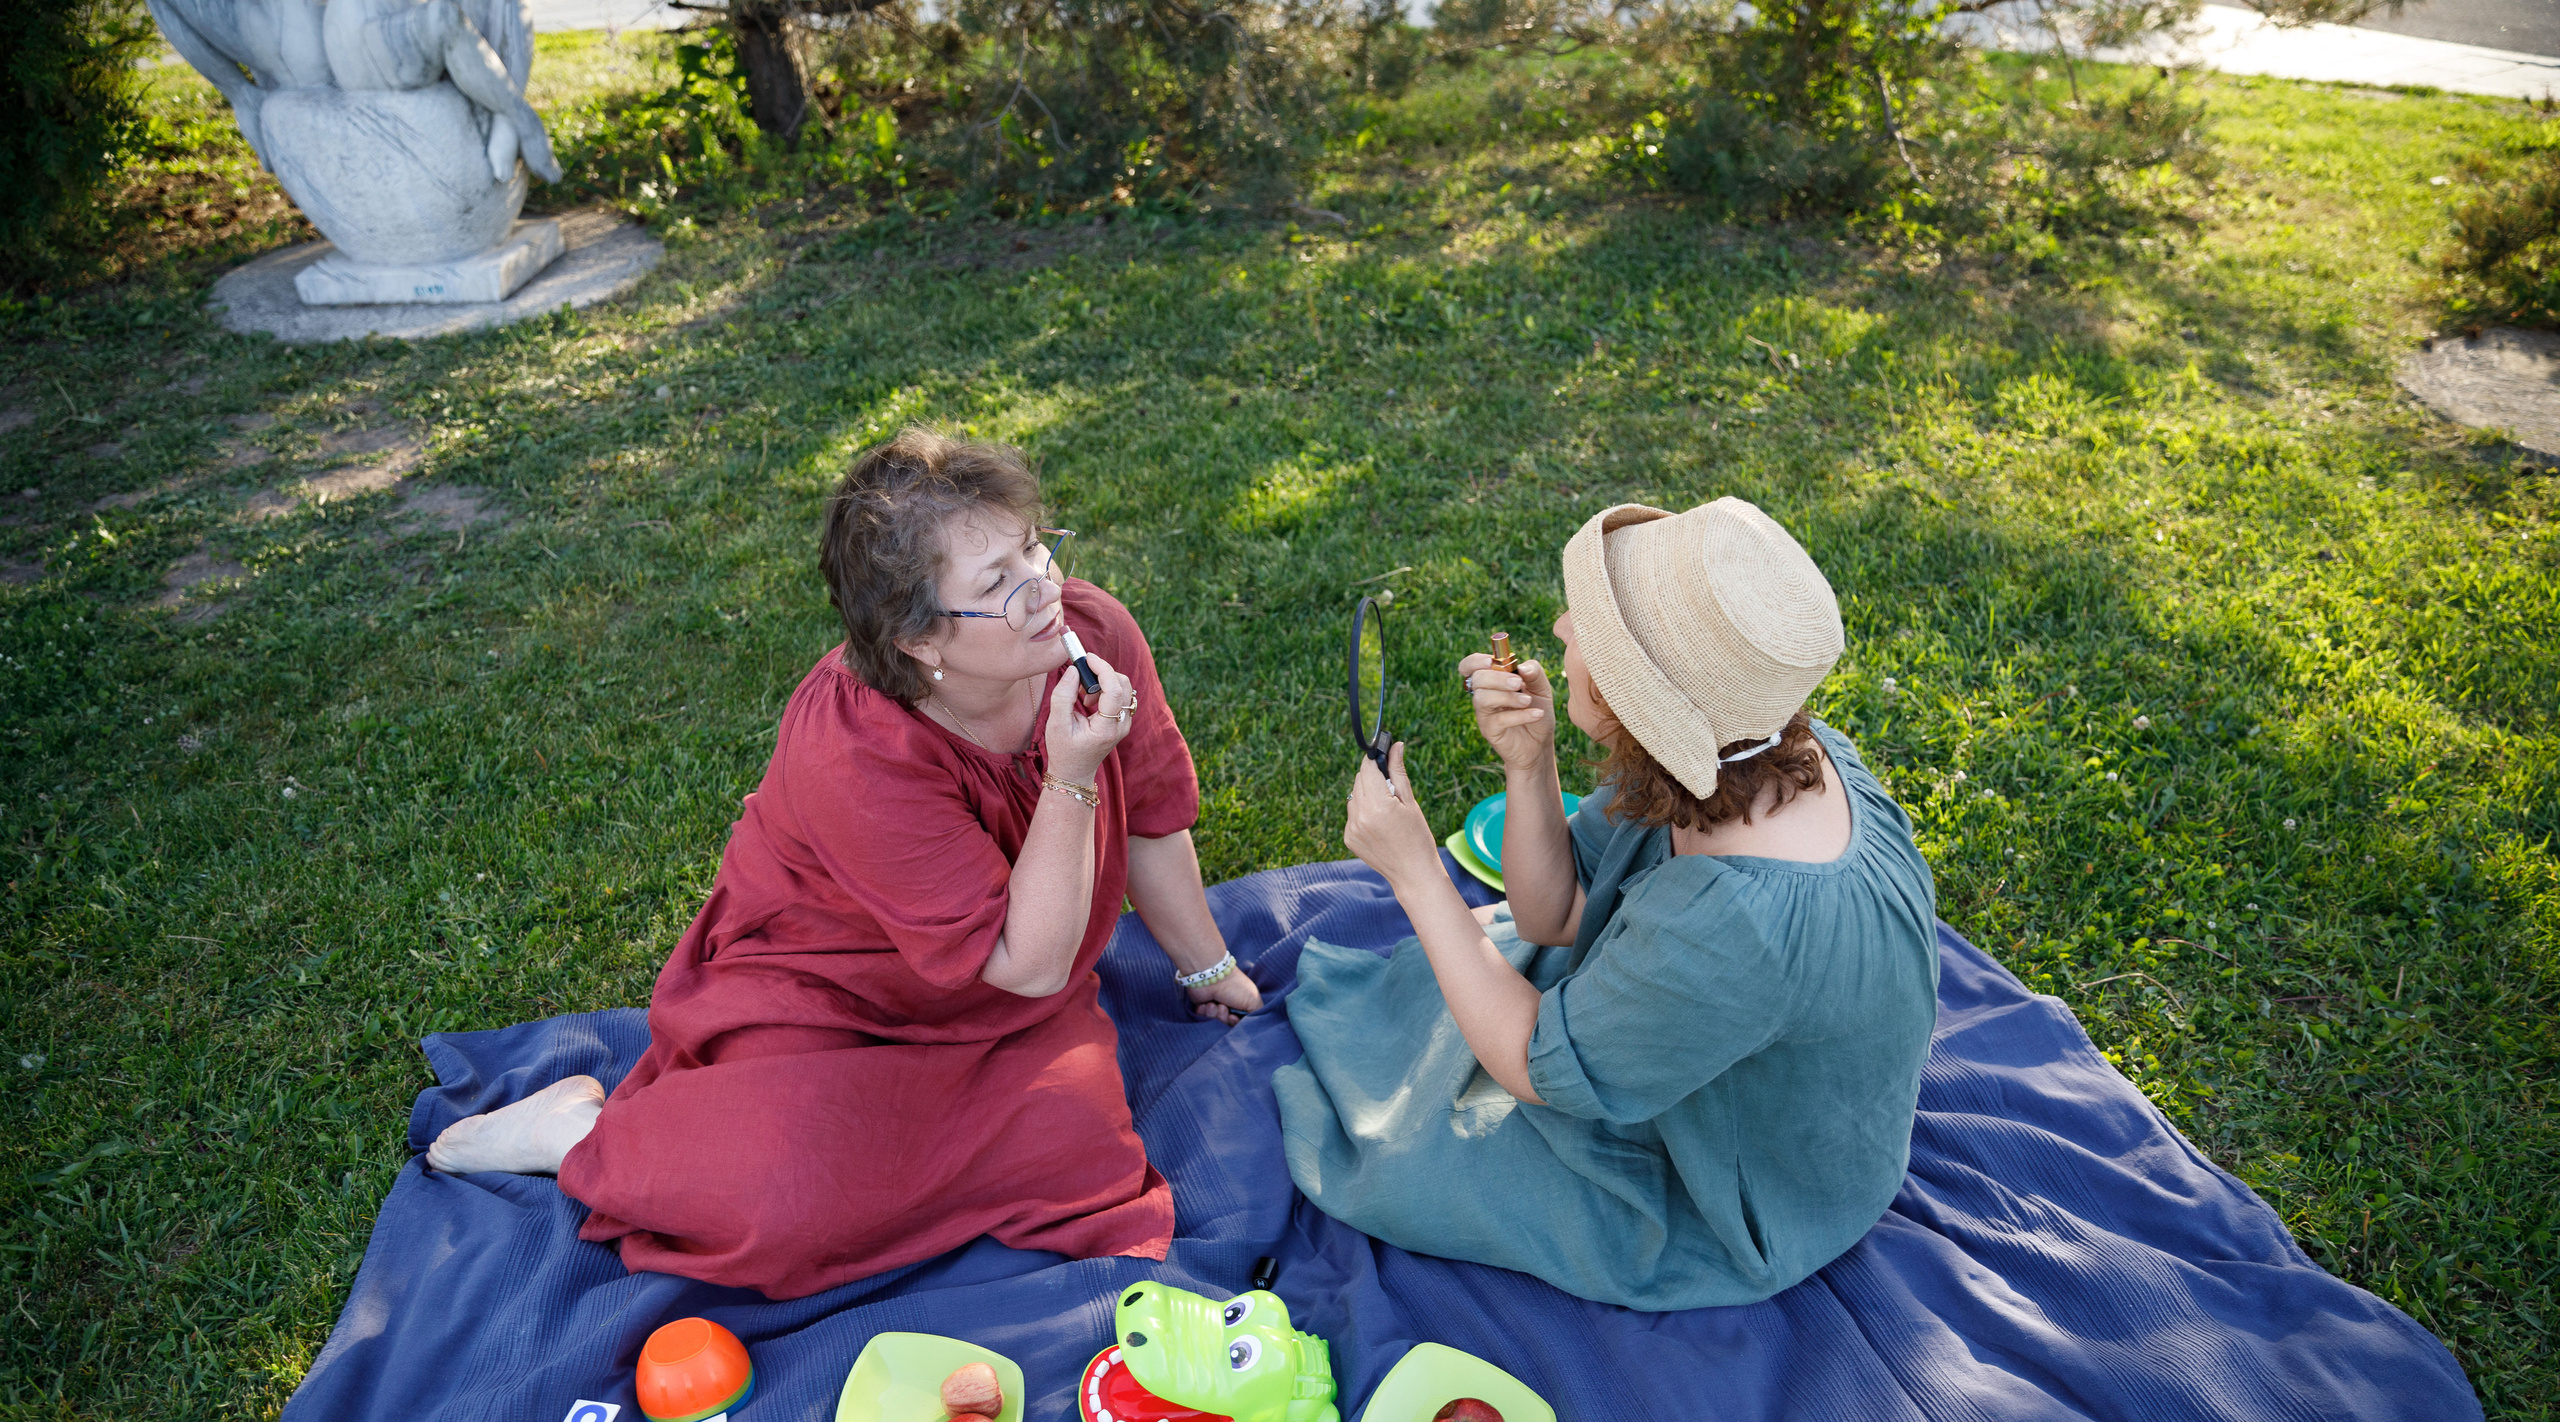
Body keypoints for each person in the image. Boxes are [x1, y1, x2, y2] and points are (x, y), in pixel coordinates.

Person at [426, 430, 1260, 1299]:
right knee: (777, 1206)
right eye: (998, 584)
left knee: (1081, 1153)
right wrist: (1073, 776)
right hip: (835, 996)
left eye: (1034, 550)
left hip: (1011, 1008)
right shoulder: (855, 748)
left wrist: (1210, 968)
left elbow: (1156, 812)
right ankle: (580, 1135)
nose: (1043, 591)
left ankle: (923, 1146)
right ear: (919, 640)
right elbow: (1034, 958)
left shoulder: (1090, 631)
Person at [1276, 497, 1938, 1311]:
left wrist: (1416, 876)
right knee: (1447, 990)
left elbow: (1529, 1066)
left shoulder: (1733, 925)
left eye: (1588, 626)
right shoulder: (1752, 751)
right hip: (1707, 1045)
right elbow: (1557, 915)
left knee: (1407, 1148)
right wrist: (1531, 761)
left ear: (1641, 699)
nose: (1559, 627)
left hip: (1742, 1192)